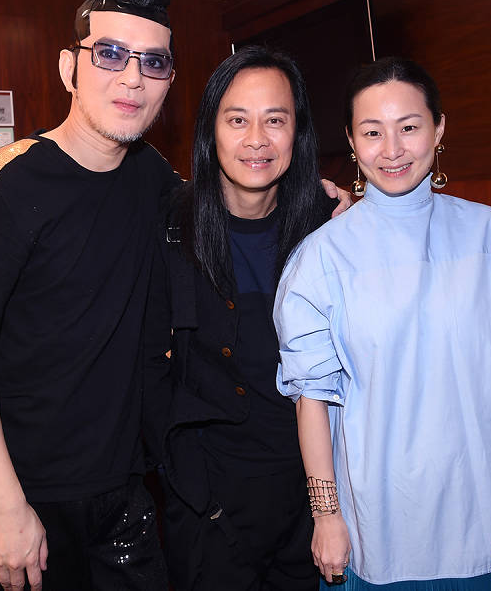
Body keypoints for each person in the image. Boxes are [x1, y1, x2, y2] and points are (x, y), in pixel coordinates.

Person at [0, 0, 180, 591]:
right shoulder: (2, 182)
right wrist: (5, 507)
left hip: (120, 481)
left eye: (153, 62)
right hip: (17, 487)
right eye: (110, 54)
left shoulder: (154, 178)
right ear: (69, 68)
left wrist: (320, 204)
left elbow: (233, 210)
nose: (132, 78)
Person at [274, 57, 491, 589]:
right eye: (372, 132)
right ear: (351, 141)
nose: (392, 149)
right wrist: (326, 516)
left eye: (409, 127)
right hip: (378, 527)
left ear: (439, 128)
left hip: (485, 515)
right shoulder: (323, 257)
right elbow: (312, 400)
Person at [143, 46, 336, 590]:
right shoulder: (169, 227)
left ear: (298, 133)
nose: (257, 139)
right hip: (211, 509)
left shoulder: (330, 229)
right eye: (237, 120)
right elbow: (146, 368)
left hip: (312, 502)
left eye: (275, 120)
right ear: (211, 131)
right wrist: (192, 489)